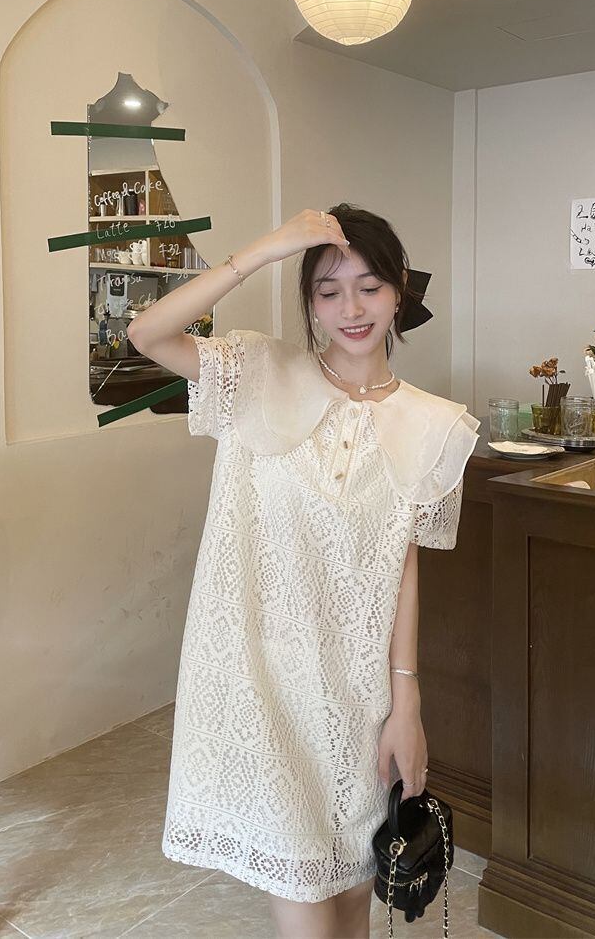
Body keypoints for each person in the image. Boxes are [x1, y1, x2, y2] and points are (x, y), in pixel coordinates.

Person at [127, 206, 480, 938]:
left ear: (400, 291)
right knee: (303, 898)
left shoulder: (434, 424)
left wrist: (406, 703)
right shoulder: (257, 373)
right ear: (309, 303)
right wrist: (263, 250)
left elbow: (403, 568)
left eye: (370, 287)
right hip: (258, 681)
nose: (351, 309)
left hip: (355, 693)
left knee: (351, 897)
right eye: (328, 291)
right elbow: (148, 334)